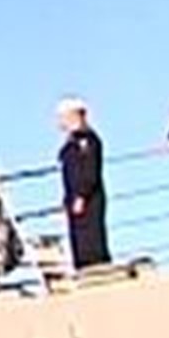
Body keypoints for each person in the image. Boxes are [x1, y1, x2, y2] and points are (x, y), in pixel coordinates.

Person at [56, 97, 109, 269]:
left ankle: (97, 269)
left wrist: (81, 194)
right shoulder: (71, 144)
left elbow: (90, 170)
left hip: (88, 199)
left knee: (91, 238)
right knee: (78, 240)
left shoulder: (88, 140)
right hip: (73, 200)